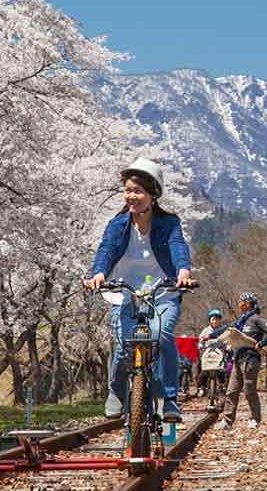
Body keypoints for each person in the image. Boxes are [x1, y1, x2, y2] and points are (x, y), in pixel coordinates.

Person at [83, 158, 194, 421]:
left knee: (162, 335)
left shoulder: (169, 223)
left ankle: (169, 399)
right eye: (128, 190)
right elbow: (106, 250)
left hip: (162, 293)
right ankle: (117, 392)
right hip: (126, 295)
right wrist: (98, 273)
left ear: (153, 194)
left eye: (138, 191)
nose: (132, 197)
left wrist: (183, 271)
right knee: (123, 347)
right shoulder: (117, 225)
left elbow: (178, 246)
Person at [210, 292, 267, 430]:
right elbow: (227, 329)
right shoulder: (241, 321)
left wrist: (261, 343)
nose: (239, 304)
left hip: (250, 359)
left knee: (249, 391)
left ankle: (255, 419)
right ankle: (228, 422)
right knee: (231, 391)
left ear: (247, 304)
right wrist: (210, 336)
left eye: (241, 302)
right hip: (237, 359)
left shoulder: (256, 319)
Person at [196, 310, 224, 396]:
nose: (215, 321)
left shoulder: (222, 330)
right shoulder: (206, 330)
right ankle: (201, 387)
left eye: (217, 319)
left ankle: (222, 387)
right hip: (207, 351)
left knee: (222, 370)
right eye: (213, 319)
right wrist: (201, 347)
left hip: (219, 352)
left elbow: (227, 340)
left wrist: (228, 347)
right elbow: (200, 341)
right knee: (202, 369)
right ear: (210, 321)